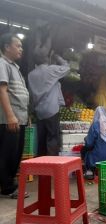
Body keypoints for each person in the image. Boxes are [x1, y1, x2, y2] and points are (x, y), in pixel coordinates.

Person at [27, 38, 70, 156]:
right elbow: (67, 68)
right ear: (46, 59)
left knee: (41, 139)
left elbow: (31, 95)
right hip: (52, 111)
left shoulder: (31, 75)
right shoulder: (51, 70)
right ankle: (52, 164)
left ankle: (41, 166)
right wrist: (58, 58)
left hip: (39, 112)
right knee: (52, 138)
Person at [0, 33, 29, 198]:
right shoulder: (2, 64)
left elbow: (19, 93)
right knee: (8, 153)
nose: (21, 49)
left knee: (15, 153)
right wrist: (10, 116)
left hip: (20, 117)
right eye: (17, 45)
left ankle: (9, 183)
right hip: (9, 119)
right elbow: (2, 90)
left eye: (21, 46)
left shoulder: (14, 67)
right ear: (6, 47)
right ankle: (8, 187)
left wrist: (26, 116)